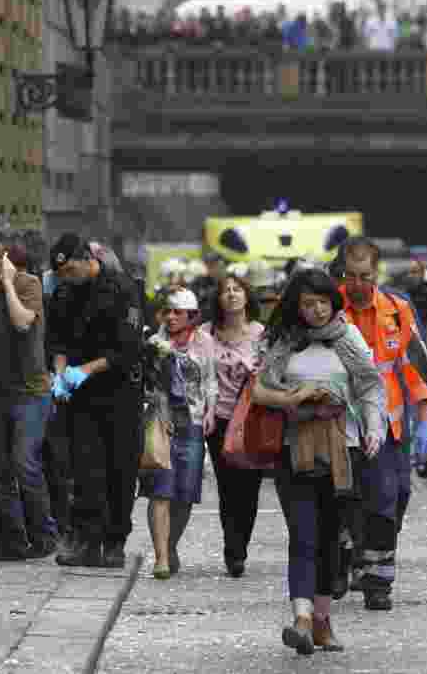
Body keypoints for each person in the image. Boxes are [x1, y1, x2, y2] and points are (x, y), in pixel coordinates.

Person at [252, 268, 386, 655]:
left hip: (342, 449)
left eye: (322, 302)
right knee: (303, 534)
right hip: (292, 451)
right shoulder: (281, 342)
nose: (316, 311)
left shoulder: (349, 338)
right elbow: (259, 389)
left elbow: (370, 384)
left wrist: (374, 427)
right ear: (295, 306)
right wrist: (293, 399)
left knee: (331, 538)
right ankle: (302, 619)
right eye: (307, 304)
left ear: (334, 302)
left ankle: (322, 621)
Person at [338, 236, 427, 611]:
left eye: (365, 276)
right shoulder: (329, 310)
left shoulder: (397, 309)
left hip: (391, 427)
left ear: (376, 273)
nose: (358, 284)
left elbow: (414, 365)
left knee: (394, 499)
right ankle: (370, 575)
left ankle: (372, 566)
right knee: (351, 499)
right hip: (343, 425)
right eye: (351, 276)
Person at [47, 234, 142, 568]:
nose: (67, 277)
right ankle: (86, 539)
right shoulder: (63, 293)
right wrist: (60, 377)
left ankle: (114, 541)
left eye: (71, 269)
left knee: (120, 468)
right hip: (81, 396)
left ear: (87, 258)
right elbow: (56, 341)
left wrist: (83, 371)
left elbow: (126, 349)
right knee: (85, 468)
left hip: (119, 392)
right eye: (62, 273)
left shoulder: (123, 289)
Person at [0, 239, 58, 561]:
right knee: (1, 470)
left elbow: (21, 321)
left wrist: (6, 282)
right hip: (2, 393)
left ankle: (45, 536)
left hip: (32, 392)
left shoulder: (27, 284)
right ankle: (13, 540)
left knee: (25, 465)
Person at [141, 287, 217, 579]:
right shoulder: (154, 342)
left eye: (178, 312)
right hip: (162, 422)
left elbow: (210, 380)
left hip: (194, 422)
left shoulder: (205, 341)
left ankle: (170, 545)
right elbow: (146, 387)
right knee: (160, 490)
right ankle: (160, 557)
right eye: (168, 311)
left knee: (185, 494)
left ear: (192, 316)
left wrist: (211, 412)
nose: (171, 317)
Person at [198, 275, 265, 578]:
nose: (232, 294)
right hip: (220, 416)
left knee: (249, 486)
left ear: (247, 296)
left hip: (252, 418)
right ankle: (232, 549)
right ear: (218, 299)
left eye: (238, 289)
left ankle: (242, 544)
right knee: (227, 486)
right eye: (226, 290)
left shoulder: (261, 335)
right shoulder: (205, 334)